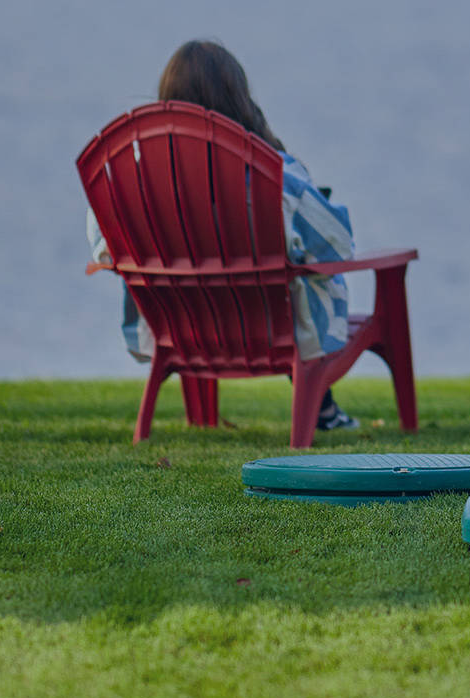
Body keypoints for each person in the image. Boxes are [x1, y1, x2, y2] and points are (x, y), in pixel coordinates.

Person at [88, 40, 359, 430]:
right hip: (274, 327)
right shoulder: (273, 170)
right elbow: (337, 247)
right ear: (240, 97)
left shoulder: (134, 173)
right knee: (294, 278)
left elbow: (102, 244)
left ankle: (321, 410)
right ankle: (325, 411)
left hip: (181, 327)